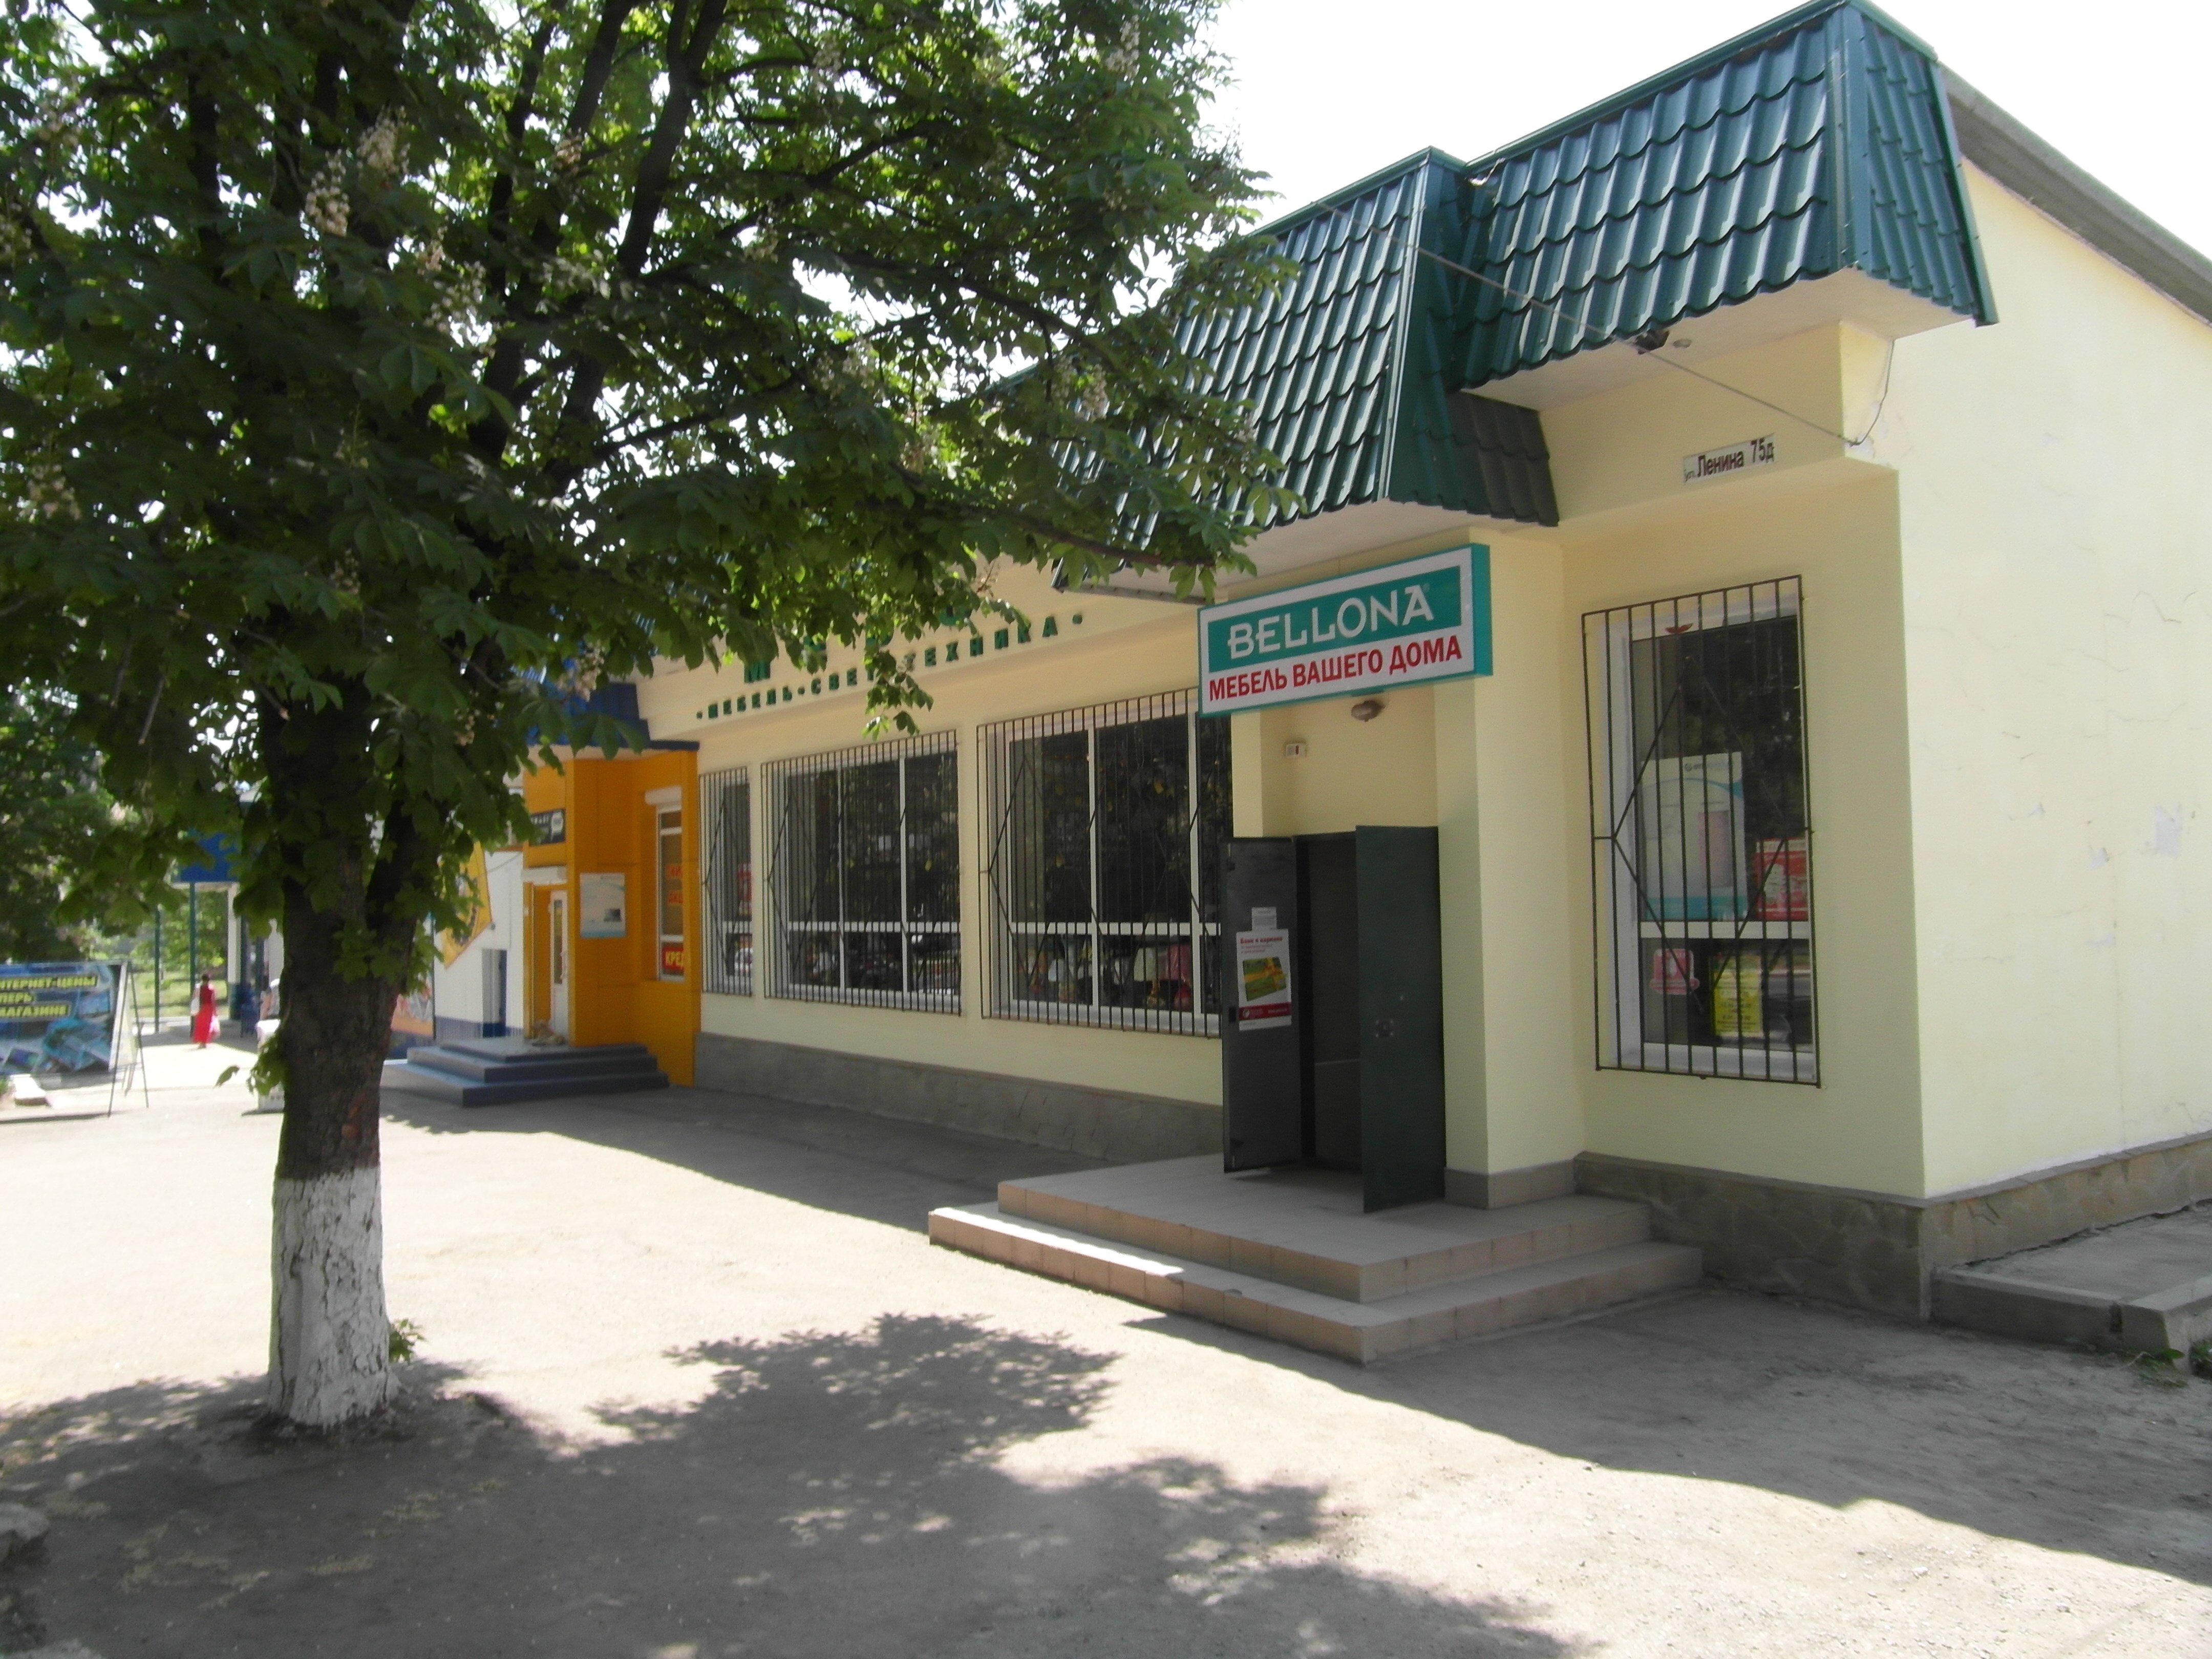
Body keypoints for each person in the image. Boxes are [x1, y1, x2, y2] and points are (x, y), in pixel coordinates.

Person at [191, 974, 218, 1049]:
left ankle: (201, 1042)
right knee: (207, 1026)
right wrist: (215, 1011)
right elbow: (213, 1000)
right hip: (209, 1008)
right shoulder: (211, 989)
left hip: (200, 1008)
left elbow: (194, 998)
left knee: (200, 1026)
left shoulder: (198, 988)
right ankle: (204, 1042)